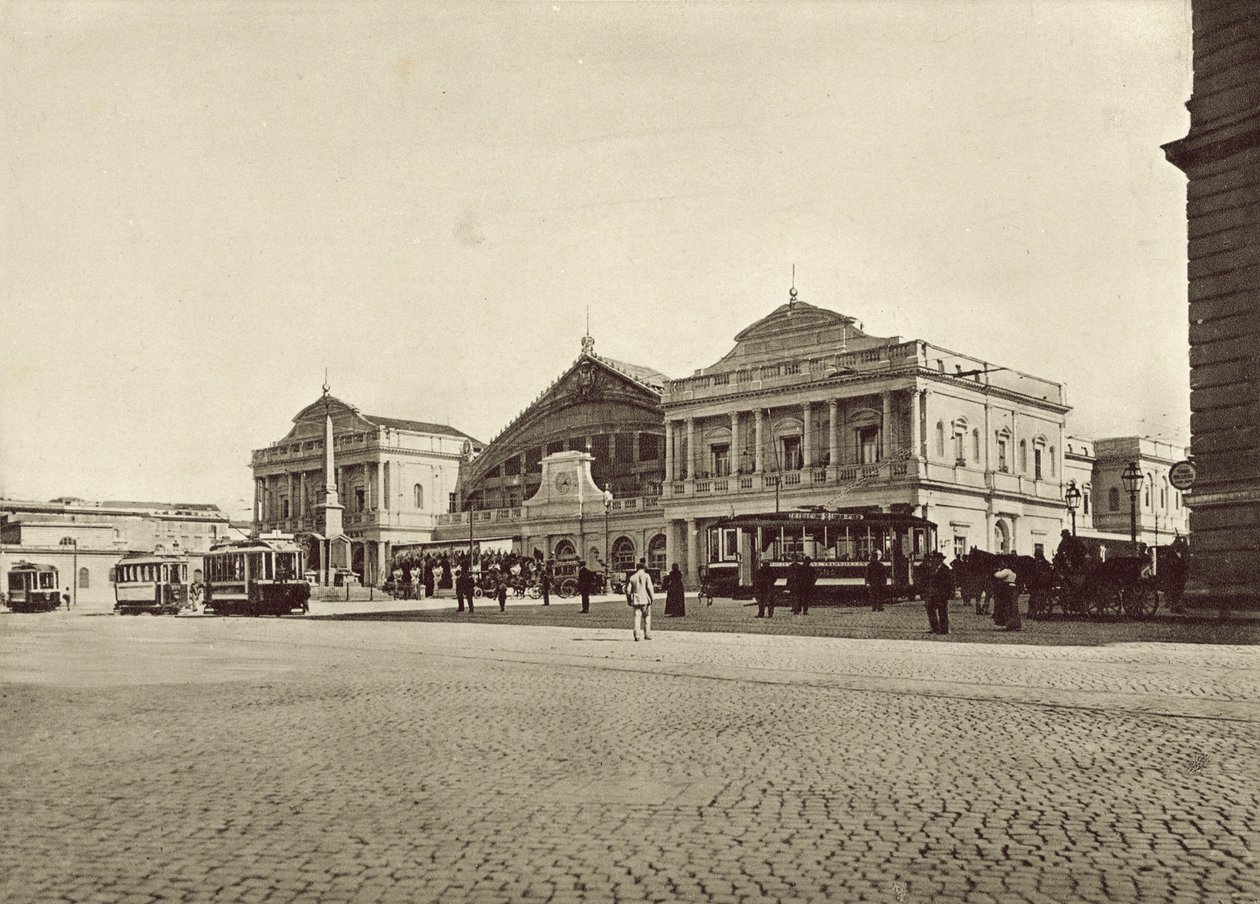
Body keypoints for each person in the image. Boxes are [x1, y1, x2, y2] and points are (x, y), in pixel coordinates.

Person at [922, 552, 954, 635]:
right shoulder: (933, 568)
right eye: (933, 559)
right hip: (933, 594)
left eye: (935, 559)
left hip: (942, 594)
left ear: (940, 560)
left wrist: (948, 594)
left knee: (942, 611)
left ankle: (944, 629)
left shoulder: (945, 569)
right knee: (930, 608)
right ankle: (935, 627)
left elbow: (949, 583)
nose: (933, 560)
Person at [626, 559, 654, 640]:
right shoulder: (646, 576)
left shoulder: (632, 577)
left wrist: (629, 600)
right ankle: (647, 634)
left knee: (636, 617)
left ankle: (637, 635)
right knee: (647, 616)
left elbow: (628, 590)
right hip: (645, 599)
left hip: (635, 599)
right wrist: (652, 598)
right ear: (644, 568)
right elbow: (649, 588)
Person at [993, 563, 1020, 631]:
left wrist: (996, 571)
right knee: (1013, 606)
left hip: (1007, 588)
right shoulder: (1013, 573)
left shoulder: (1006, 571)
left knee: (1005, 605)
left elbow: (998, 575)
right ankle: (1015, 624)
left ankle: (1005, 624)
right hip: (1013, 587)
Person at [1166, 535, 1189, 613]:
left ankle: (1177, 606)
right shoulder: (1171, 553)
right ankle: (1174, 607)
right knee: (1175, 591)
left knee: (1180, 591)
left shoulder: (1181, 553)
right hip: (1174, 575)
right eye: (1178, 544)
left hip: (1180, 575)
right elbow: (1171, 563)